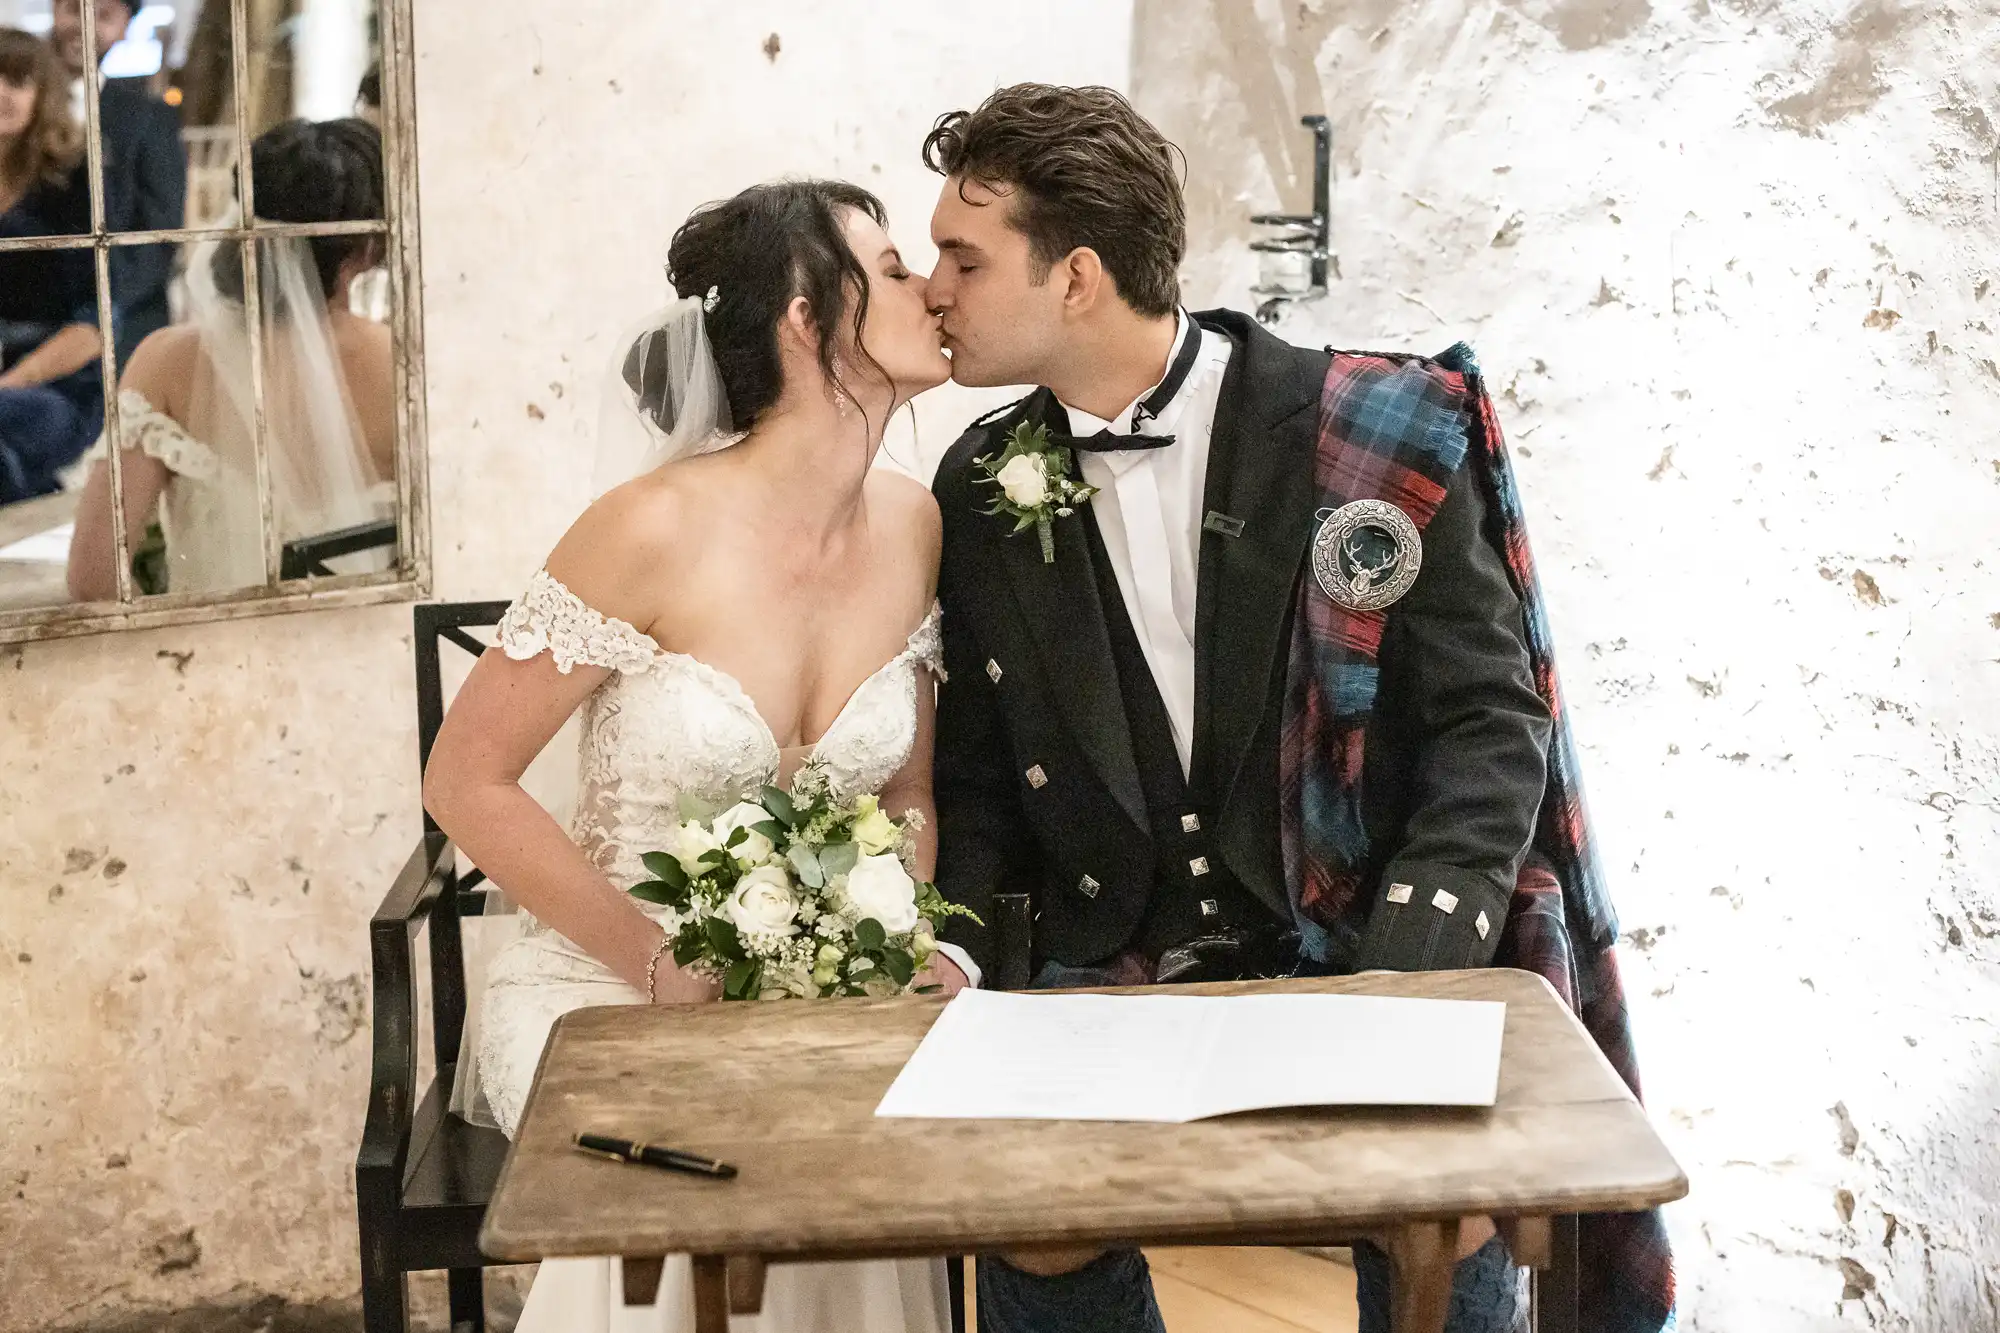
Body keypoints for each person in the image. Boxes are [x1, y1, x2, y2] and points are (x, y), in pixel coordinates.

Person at [925, 84, 1672, 1333]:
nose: (932, 288)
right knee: (1032, 1216)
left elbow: (1492, 723)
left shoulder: (1370, 426)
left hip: (1357, 928)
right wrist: (954, 945)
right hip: (1115, 953)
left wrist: (1412, 971)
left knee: (1443, 1203)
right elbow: (983, 778)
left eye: (962, 256)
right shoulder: (980, 479)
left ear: (1077, 279)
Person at [421, 179, 971, 1333]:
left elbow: (905, 791)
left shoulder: (915, 523)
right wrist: (658, 959)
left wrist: (899, 933)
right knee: (729, 1146)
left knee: (858, 1118)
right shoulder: (648, 526)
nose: (928, 287)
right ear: (805, 320)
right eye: (890, 263)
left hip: (816, 992)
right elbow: (463, 780)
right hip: (609, 983)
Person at [66, 118, 392, 599]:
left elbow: (93, 577)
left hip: (212, 663)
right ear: (365, 251)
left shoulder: (166, 362)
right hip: (377, 660)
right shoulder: (405, 368)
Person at [51, 0, 186, 363]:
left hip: (124, 321)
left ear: (125, 28)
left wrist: (100, 307)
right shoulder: (18, 110)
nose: (84, 25)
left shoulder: (148, 118)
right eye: (72, 9)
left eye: (104, 16)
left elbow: (160, 229)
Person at [0, 26, 100, 504]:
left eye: (17, 80)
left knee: (29, 417)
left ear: (43, 94)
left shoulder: (74, 181)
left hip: (58, 383)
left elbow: (95, 322)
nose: (1, 92)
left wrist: (12, 382)